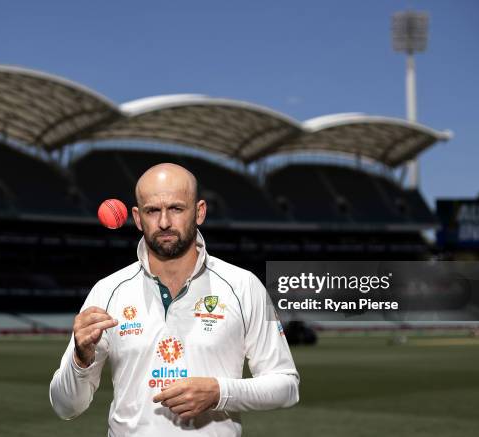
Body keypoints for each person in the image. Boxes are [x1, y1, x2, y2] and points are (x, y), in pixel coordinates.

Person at [49, 163, 299, 436]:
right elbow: (65, 407)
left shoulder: (243, 285)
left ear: (199, 212)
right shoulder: (107, 291)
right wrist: (80, 359)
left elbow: (286, 386)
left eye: (177, 209)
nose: (165, 222)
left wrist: (219, 392)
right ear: (137, 217)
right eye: (152, 210)